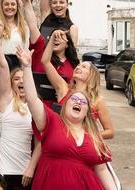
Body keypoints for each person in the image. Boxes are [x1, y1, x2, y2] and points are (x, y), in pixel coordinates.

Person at [16, 45, 115, 189]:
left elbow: (102, 170)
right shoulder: (53, 122)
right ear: (64, 105)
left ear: (87, 112)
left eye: (83, 102)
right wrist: (26, 67)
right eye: (73, 99)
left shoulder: (94, 136)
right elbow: (32, 99)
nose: (78, 102)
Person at [0, 19, 40, 189]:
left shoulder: (36, 106)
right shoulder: (6, 100)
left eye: (23, 78)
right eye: (16, 79)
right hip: (2, 167)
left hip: (25, 170)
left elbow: (39, 142)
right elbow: (4, 66)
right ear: (12, 84)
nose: (20, 81)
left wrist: (31, 167)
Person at [41, 30, 114, 140]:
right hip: (61, 141)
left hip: (84, 145)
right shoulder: (64, 88)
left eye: (84, 67)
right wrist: (52, 38)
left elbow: (110, 132)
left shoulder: (97, 101)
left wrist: (88, 136)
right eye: (78, 66)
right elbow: (45, 61)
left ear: (91, 75)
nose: (78, 67)